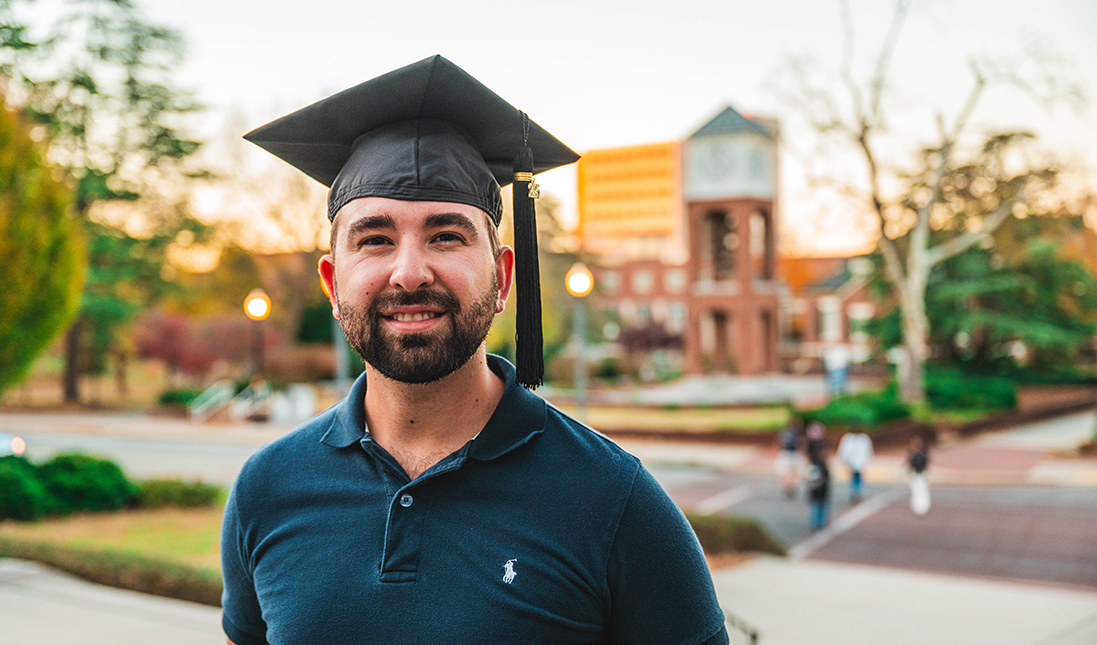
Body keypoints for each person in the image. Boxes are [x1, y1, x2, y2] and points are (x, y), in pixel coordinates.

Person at [220, 56, 728, 645]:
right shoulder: (267, 488)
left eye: (446, 236)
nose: (409, 273)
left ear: (503, 280)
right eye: (376, 240)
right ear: (334, 285)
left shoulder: (615, 504)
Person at [836, 430, 874, 502]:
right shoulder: (850, 439)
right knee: (855, 477)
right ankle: (856, 492)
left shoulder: (860, 439)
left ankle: (856, 492)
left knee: (856, 477)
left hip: (858, 463)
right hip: (853, 463)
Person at [775, 418, 804, 499]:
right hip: (789, 453)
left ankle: (789, 487)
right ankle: (789, 487)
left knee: (791, 473)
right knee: (790, 473)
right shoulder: (794, 433)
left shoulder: (787, 432)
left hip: (790, 453)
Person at [806, 451, 831, 531]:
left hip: (814, 492)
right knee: (820, 507)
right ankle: (820, 522)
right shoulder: (824, 468)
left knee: (815, 507)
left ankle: (815, 523)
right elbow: (827, 480)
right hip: (822, 492)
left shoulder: (811, 468)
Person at [907, 435, 931, 516]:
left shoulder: (916, 455)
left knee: (919, 491)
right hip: (919, 475)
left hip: (919, 475)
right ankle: (920, 507)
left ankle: (920, 507)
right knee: (920, 491)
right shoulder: (922, 455)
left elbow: (911, 466)